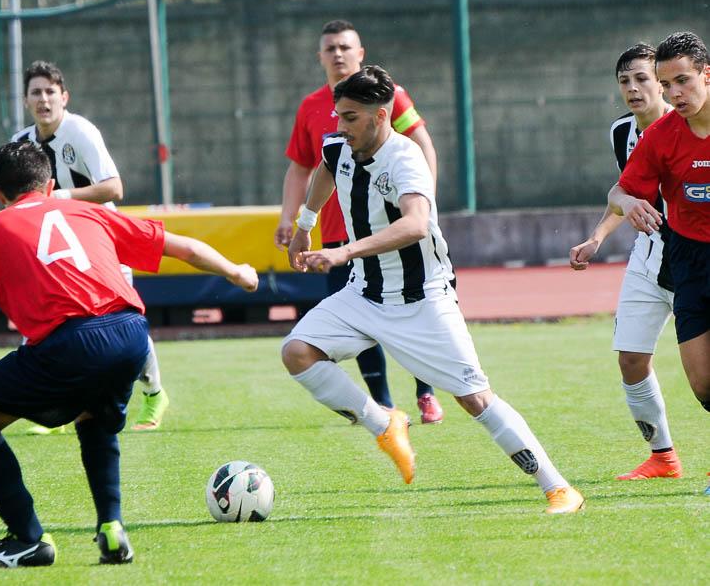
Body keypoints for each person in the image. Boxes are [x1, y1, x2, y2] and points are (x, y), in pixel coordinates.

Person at [0, 141, 259, 569]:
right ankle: (111, 527)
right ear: (51, 185)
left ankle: (27, 539)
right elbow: (183, 248)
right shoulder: (88, 211)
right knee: (93, 415)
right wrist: (236, 271)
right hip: (131, 335)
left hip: (70, 343)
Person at [283, 65, 584, 513]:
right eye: (338, 115)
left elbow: (416, 224)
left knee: (474, 398)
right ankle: (384, 422)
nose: (339, 126)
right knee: (297, 351)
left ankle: (558, 487)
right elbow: (325, 169)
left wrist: (344, 252)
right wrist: (305, 225)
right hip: (364, 292)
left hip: (422, 299)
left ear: (380, 116)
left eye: (350, 117)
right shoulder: (339, 146)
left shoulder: (405, 158)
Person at [275, 20, 444, 424]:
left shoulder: (387, 95)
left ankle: (426, 390)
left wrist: (424, 202)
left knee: (414, 315)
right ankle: (384, 405)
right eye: (329, 48)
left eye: (344, 47)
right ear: (320, 57)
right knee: (360, 318)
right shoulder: (310, 106)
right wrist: (295, 218)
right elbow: (306, 167)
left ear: (360, 53)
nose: (337, 54)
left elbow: (422, 144)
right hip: (337, 233)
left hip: (390, 230)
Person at [12, 60, 169, 432]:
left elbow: (114, 188)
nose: (44, 99)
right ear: (25, 100)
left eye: (51, 92)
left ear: (64, 97)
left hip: (103, 239)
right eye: (36, 92)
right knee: (46, 318)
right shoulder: (20, 143)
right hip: (58, 245)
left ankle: (154, 393)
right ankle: (54, 408)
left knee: (124, 322)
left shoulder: (80, 132)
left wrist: (60, 197)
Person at [569, 44, 681, 480]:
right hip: (649, 257)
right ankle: (663, 456)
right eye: (624, 81)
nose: (633, 89)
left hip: (694, 257)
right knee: (631, 359)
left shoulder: (690, 126)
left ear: (662, 83)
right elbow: (626, 193)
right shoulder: (622, 132)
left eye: (641, 79)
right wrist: (596, 238)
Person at [608, 31, 710, 496]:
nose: (673, 94)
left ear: (706, 75)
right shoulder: (657, 136)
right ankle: (662, 455)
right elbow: (620, 191)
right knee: (702, 380)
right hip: (682, 258)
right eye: (667, 85)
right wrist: (625, 206)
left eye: (681, 82)